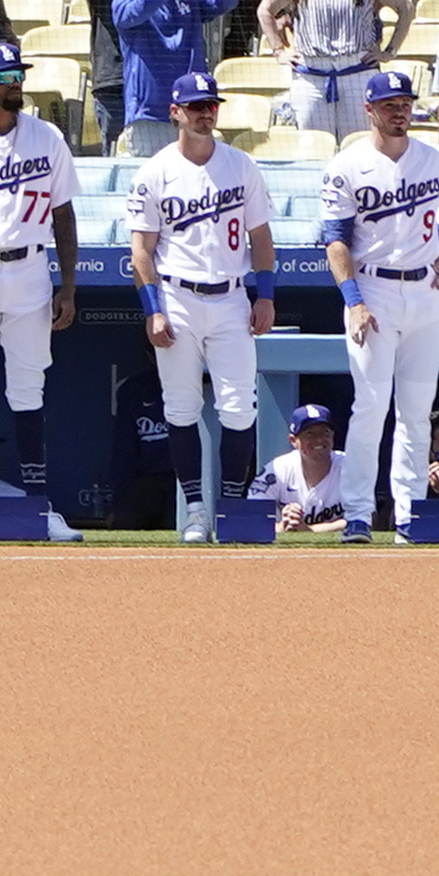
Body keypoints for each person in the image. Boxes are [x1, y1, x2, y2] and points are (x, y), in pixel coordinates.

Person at [125, 61, 276, 535]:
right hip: (177, 297)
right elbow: (141, 252)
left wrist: (265, 296)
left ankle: (230, 506)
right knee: (181, 407)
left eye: (210, 105)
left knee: (238, 407)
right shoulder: (156, 171)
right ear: (175, 112)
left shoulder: (240, 164)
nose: (205, 114)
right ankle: (194, 509)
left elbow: (262, 237)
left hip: (231, 296)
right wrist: (153, 311)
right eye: (195, 107)